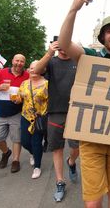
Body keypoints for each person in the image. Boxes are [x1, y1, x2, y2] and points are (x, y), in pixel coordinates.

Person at [58, 0, 110, 207]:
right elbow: (63, 43)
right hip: (91, 140)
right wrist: (74, 9)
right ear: (102, 36)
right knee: (93, 201)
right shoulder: (88, 56)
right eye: (109, 30)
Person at [33, 39, 80, 202]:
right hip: (55, 112)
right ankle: (60, 181)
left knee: (77, 147)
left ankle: (71, 162)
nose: (62, 48)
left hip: (76, 111)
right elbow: (36, 71)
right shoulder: (51, 62)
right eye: (58, 44)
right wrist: (49, 53)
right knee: (57, 147)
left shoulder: (77, 60)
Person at [0, 54, 29, 173]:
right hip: (0, 112)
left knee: (17, 138)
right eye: (17, 60)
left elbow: (30, 91)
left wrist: (22, 98)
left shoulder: (27, 75)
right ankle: (6, 152)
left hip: (17, 112)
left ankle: (16, 160)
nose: (19, 63)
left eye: (21, 61)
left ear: (24, 63)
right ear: (12, 61)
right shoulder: (2, 72)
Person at [11, 60, 47, 179]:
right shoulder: (24, 84)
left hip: (38, 118)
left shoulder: (47, 84)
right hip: (25, 116)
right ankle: (33, 153)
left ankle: (37, 166)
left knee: (36, 142)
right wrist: (16, 100)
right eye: (31, 68)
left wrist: (43, 113)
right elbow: (20, 98)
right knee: (25, 141)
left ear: (42, 70)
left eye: (36, 68)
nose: (33, 70)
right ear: (28, 70)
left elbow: (50, 101)